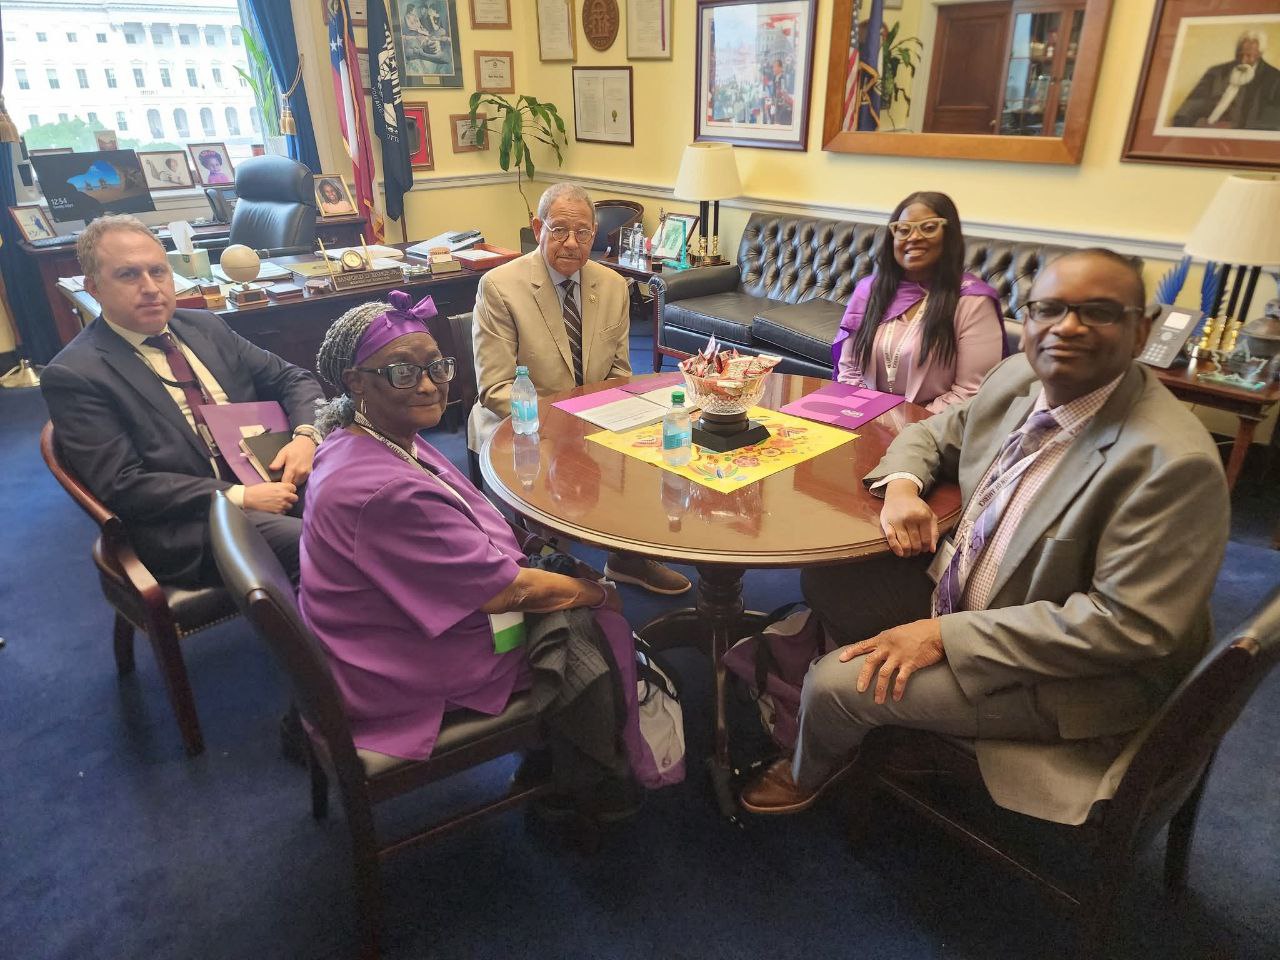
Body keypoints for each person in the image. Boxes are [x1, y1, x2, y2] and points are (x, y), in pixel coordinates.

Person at [741, 249, 1230, 826]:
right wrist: (901, 488)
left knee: (832, 685)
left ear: (1140, 330)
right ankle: (906, 721)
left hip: (1071, 675)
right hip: (975, 590)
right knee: (831, 580)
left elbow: (1127, 628)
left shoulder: (1171, 463)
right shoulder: (1020, 376)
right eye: (1049, 308)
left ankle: (810, 768)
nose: (1067, 327)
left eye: (1096, 311)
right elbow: (931, 434)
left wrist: (946, 636)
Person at [301, 294, 643, 820]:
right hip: (400, 663)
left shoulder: (364, 437)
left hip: (372, 628)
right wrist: (599, 591)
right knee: (595, 626)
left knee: (560, 582)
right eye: (402, 372)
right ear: (355, 382)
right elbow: (505, 593)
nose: (428, 384)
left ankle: (566, 758)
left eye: (436, 365)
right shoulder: (384, 490)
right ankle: (587, 789)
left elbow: (466, 522)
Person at [41, 215, 324, 586]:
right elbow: (124, 485)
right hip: (189, 523)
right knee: (324, 544)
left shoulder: (205, 328)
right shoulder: (76, 374)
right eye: (128, 275)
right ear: (93, 288)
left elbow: (293, 378)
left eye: (158, 272)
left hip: (271, 478)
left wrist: (306, 436)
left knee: (367, 507)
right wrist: (239, 497)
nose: (150, 288)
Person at [470, 182, 691, 596]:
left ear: (595, 234)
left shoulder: (612, 285)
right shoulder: (500, 288)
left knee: (651, 454)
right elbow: (496, 389)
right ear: (538, 228)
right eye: (558, 230)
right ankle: (549, 568)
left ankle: (629, 558)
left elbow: (621, 374)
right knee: (554, 472)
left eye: (583, 233)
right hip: (522, 422)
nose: (571, 244)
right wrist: (566, 426)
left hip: (595, 417)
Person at [833, 192, 1006, 413]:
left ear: (949, 235)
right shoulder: (870, 290)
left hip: (934, 431)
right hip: (864, 418)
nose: (914, 237)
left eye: (929, 227)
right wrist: (866, 417)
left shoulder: (973, 302)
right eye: (903, 230)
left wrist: (904, 425)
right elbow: (849, 369)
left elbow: (969, 393)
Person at [1171, 29, 1280, 131]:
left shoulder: (1274, 78)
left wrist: (1234, 127)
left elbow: (1273, 121)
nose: (1243, 60)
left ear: (1260, 54)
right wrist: (1193, 123)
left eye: (1249, 55)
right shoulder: (1216, 72)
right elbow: (1192, 104)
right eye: (1241, 54)